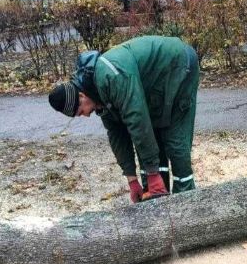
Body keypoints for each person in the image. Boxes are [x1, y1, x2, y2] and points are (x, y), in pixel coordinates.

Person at [48, 36, 199, 202]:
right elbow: (116, 134)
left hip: (178, 64)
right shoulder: (96, 93)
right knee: (153, 139)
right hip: (152, 84)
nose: (85, 115)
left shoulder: (111, 77)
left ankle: (186, 201)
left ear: (82, 96)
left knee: (175, 141)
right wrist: (132, 179)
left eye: (80, 111)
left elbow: (137, 120)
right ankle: (158, 200)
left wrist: (152, 173)